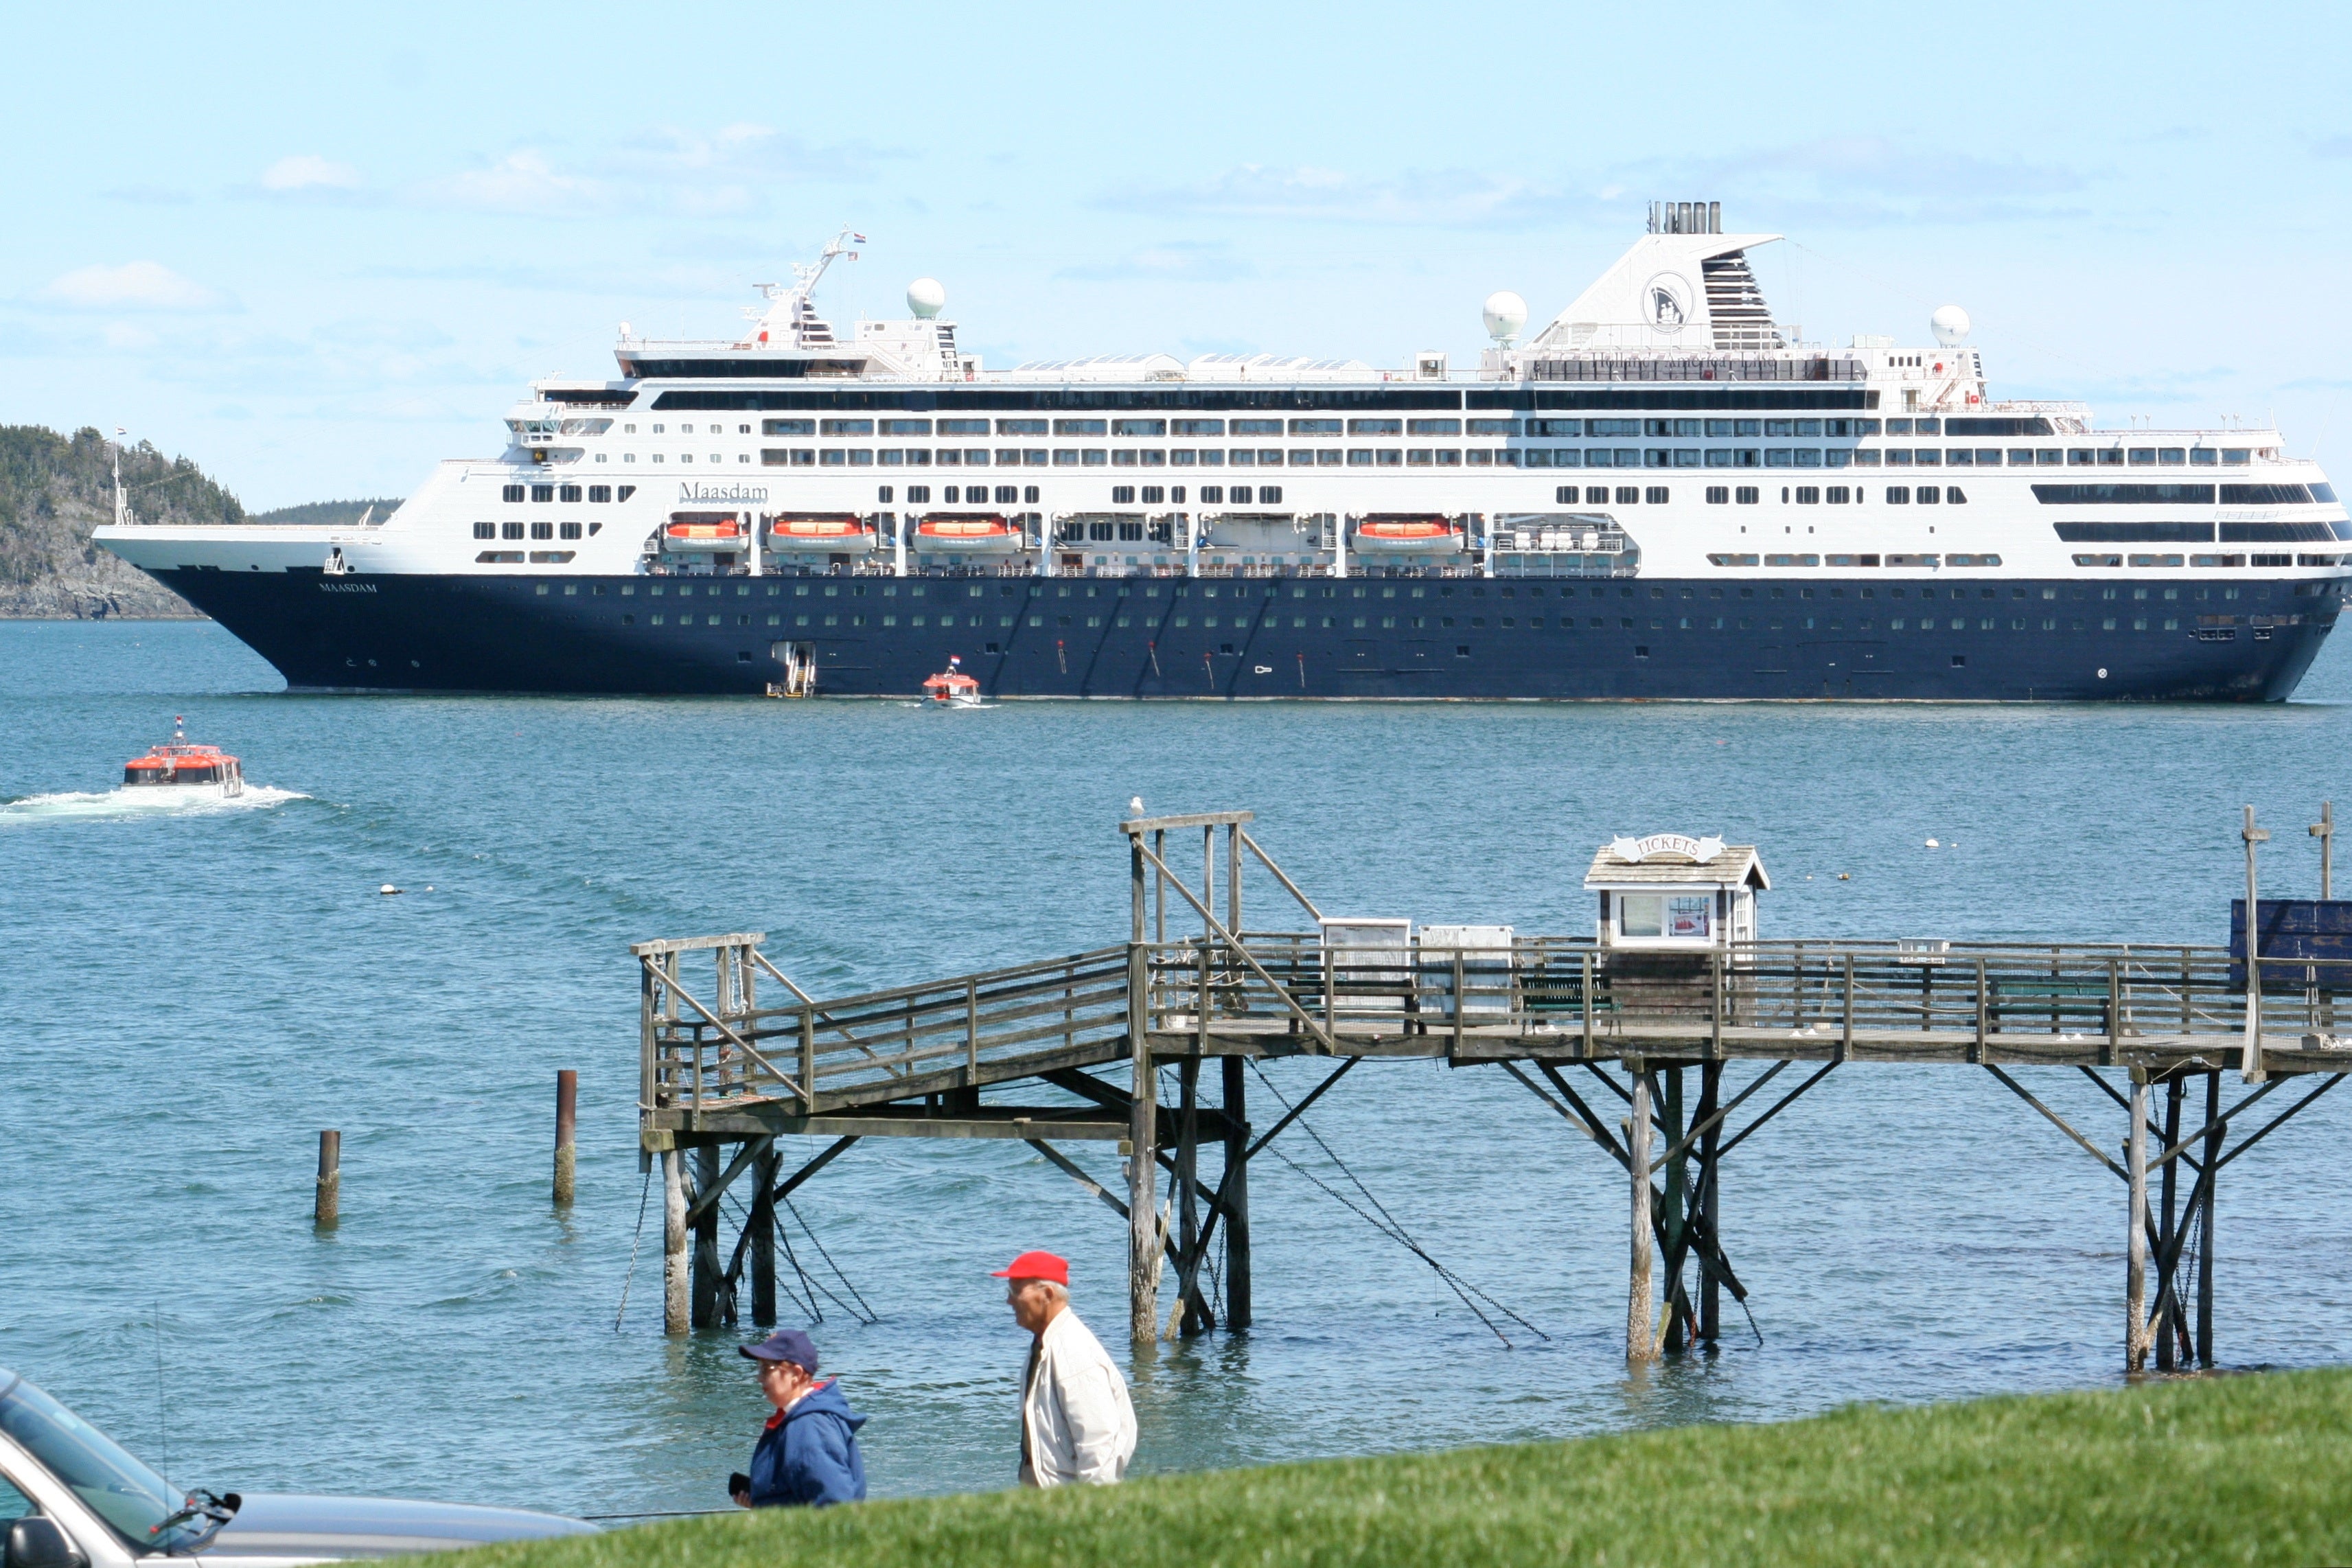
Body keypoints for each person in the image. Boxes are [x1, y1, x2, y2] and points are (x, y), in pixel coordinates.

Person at [993, 1249, 1136, 1487]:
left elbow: (1098, 1443)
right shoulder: (1044, 1344)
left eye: (1016, 1291)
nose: (1009, 1300)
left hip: (1066, 1500)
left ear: (1048, 1294)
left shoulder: (1074, 1352)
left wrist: (1092, 1507)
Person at [729, 1328, 867, 1509]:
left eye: (766, 1369)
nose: (759, 1378)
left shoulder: (809, 1426)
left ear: (796, 1374)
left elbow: (834, 1506)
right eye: (759, 1369)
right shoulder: (800, 1419)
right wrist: (762, 1500)